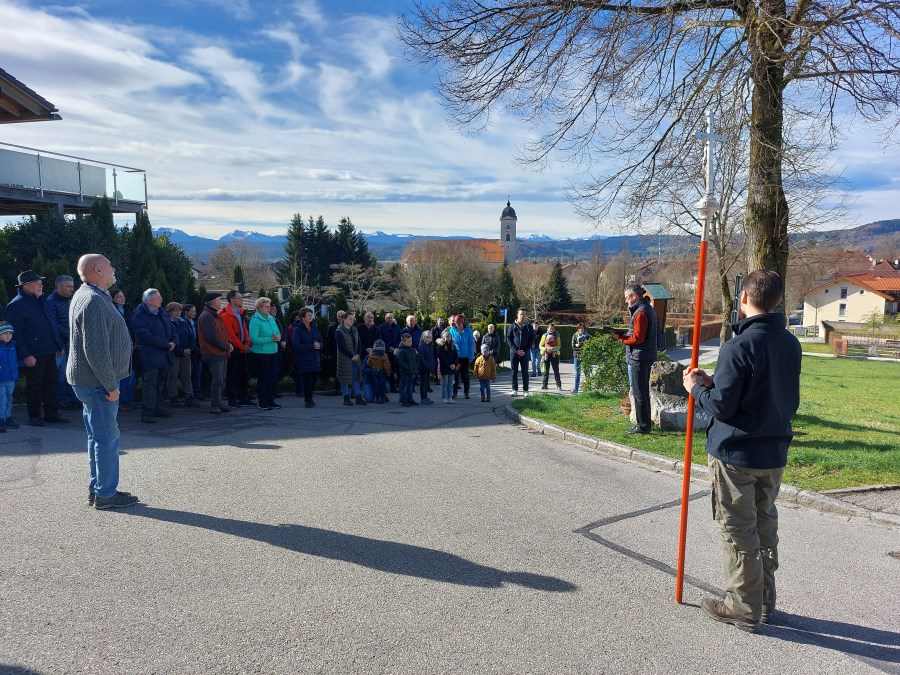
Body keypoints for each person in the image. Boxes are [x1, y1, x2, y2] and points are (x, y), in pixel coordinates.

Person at [683, 270, 801, 634]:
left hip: (736, 454)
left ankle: (742, 607)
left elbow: (723, 406)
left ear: (744, 298)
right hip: (773, 450)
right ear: (778, 301)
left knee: (738, 530)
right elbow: (760, 390)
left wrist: (695, 389)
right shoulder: (790, 343)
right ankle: (764, 602)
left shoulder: (738, 346)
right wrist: (714, 382)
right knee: (764, 526)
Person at [67, 254, 138, 509]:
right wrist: (111, 385)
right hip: (98, 383)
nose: (114, 269)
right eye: (110, 266)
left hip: (91, 381)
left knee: (98, 437)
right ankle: (106, 494)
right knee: (107, 439)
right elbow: (95, 351)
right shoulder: (93, 300)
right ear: (97, 270)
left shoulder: (90, 295)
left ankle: (98, 489)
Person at [6, 270, 68, 426]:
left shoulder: (42, 300)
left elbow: (51, 324)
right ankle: (34, 416)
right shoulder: (16, 305)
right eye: (37, 283)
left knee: (51, 383)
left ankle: (51, 413)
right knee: (35, 385)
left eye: (41, 282)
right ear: (26, 285)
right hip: (33, 353)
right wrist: (26, 354)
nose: (41, 285)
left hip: (49, 349)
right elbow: (16, 333)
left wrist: (58, 344)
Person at [614, 284, 660, 434]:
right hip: (645, 356)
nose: (626, 301)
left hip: (639, 358)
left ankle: (642, 426)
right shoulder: (647, 308)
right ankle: (644, 424)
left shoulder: (641, 312)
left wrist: (620, 338)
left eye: (627, 298)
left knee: (639, 393)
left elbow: (638, 338)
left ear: (634, 296)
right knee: (643, 393)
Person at [132, 288, 176, 423]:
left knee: (160, 383)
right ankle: (147, 412)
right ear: (150, 301)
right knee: (150, 384)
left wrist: (174, 341)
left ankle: (158, 407)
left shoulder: (161, 312)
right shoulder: (139, 316)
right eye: (158, 297)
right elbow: (146, 336)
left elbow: (172, 328)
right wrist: (166, 344)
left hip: (163, 354)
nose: (161, 299)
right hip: (150, 355)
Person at [46, 274, 79, 410]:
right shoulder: (51, 301)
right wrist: (70, 335)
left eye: (72, 286)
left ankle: (72, 398)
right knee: (61, 373)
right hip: (59, 344)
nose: (72, 289)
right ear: (59, 286)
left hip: (71, 342)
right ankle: (62, 400)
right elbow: (53, 324)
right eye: (69, 286)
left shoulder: (71, 300)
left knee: (71, 372)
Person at [197, 292, 233, 414]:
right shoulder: (207, 316)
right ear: (213, 302)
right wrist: (226, 346)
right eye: (219, 300)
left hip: (221, 352)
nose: (221, 302)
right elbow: (211, 337)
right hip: (214, 352)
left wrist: (228, 344)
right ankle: (214, 405)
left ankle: (218, 402)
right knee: (217, 380)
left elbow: (223, 333)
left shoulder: (214, 315)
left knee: (222, 379)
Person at [220, 290, 255, 407]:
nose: (242, 300)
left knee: (243, 373)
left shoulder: (240, 312)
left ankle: (243, 397)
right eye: (239, 298)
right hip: (233, 349)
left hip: (241, 348)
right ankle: (232, 399)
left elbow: (244, 329)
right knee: (231, 374)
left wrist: (248, 343)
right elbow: (231, 335)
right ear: (232, 300)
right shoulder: (225, 315)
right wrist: (243, 347)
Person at [249, 296, 281, 411]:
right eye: (266, 307)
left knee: (272, 377)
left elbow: (278, 332)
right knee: (263, 378)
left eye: (269, 306)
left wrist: (278, 338)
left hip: (273, 352)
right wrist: (270, 339)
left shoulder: (271, 319)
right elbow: (254, 339)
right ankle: (262, 401)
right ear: (259, 307)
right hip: (261, 353)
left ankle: (270, 400)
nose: (269, 308)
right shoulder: (255, 320)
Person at [165, 302, 198, 407]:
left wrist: (190, 349)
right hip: (173, 354)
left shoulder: (184, 323)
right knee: (172, 376)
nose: (178, 312)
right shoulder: (166, 323)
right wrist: (181, 351)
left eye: (179, 310)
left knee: (187, 376)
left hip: (186, 354)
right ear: (169, 312)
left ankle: (189, 396)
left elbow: (191, 337)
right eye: (175, 310)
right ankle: (173, 397)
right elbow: (169, 340)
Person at [109, 289, 136, 410]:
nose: (122, 298)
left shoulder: (127, 310)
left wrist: (134, 341)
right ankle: (120, 401)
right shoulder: (111, 310)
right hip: (118, 346)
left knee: (131, 374)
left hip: (130, 345)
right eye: (119, 296)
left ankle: (128, 399)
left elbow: (131, 327)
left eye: (123, 296)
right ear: (113, 298)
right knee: (121, 375)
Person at [291, 307, 322, 409]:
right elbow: (296, 345)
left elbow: (321, 341)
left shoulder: (314, 328)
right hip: (304, 359)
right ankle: (308, 400)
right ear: (302, 317)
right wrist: (311, 346)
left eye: (311, 315)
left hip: (315, 358)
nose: (310, 317)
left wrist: (319, 345)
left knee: (314, 380)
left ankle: (310, 398)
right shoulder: (298, 329)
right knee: (307, 380)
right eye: (308, 315)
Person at [336, 312, 365, 406]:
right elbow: (341, 347)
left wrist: (358, 354)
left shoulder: (355, 330)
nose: (352, 321)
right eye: (350, 319)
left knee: (355, 378)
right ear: (344, 319)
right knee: (345, 378)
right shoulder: (339, 331)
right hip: (345, 359)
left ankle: (358, 397)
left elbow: (359, 343)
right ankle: (346, 398)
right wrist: (351, 355)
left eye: (353, 319)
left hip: (355, 358)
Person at [506, 309, 535, 397]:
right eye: (521, 314)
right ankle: (514, 389)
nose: (522, 316)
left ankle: (526, 390)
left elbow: (531, 340)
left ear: (526, 316)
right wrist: (516, 350)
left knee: (525, 372)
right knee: (514, 372)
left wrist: (525, 351)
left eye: (524, 314)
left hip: (524, 353)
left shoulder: (529, 327)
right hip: (514, 353)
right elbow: (509, 339)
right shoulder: (512, 326)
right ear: (517, 315)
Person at [181, 304, 205, 402]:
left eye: (195, 311)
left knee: (197, 373)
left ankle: (197, 392)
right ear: (186, 312)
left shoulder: (195, 322)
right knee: (188, 374)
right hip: (189, 352)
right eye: (192, 311)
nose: (194, 313)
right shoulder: (182, 323)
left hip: (198, 352)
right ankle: (189, 394)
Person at [0, 322, 20, 431]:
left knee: (9, 398)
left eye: (10, 333)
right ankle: (1, 419)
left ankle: (7, 417)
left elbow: (15, 360)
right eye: (5, 333)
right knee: (1, 399)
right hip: (1, 379)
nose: (8, 335)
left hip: (11, 378)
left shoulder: (13, 346)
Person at [449, 314, 474, 399]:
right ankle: (454, 392)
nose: (457, 325)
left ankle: (466, 392)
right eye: (456, 323)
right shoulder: (452, 330)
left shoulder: (468, 330)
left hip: (465, 356)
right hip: (456, 357)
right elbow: (450, 344)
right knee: (455, 375)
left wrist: (471, 356)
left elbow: (471, 343)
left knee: (465, 375)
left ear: (463, 322)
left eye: (459, 323)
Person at [378, 312, 401, 393]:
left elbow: (399, 338)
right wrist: (388, 347)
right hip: (385, 352)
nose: (390, 319)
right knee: (385, 369)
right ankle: (385, 388)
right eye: (388, 318)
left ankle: (393, 387)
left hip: (394, 352)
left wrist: (394, 347)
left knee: (393, 369)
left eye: (391, 318)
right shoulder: (381, 327)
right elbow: (380, 339)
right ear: (385, 319)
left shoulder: (397, 327)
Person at [324, 309, 345, 395]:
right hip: (335, 353)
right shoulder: (332, 327)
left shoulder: (349, 326)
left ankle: (346, 388)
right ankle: (338, 389)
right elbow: (328, 340)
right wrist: (328, 353)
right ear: (337, 317)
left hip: (346, 353)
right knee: (337, 371)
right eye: (339, 316)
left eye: (343, 316)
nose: (341, 318)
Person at [396, 331, 419, 407]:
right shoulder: (402, 351)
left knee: (410, 386)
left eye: (411, 341)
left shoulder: (412, 349)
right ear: (403, 342)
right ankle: (404, 400)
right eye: (408, 341)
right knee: (404, 386)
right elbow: (400, 362)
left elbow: (415, 359)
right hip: (405, 372)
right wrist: (408, 367)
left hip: (411, 371)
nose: (410, 342)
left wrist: (414, 368)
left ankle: (410, 399)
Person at [367, 339, 391, 404]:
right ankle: (382, 399)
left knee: (376, 385)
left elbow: (368, 363)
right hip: (382, 372)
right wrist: (388, 372)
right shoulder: (384, 355)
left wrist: (372, 366)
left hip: (374, 371)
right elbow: (386, 365)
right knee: (382, 385)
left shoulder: (372, 354)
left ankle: (377, 399)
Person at [436, 329, 458, 404]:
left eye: (449, 336)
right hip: (445, 367)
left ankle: (450, 397)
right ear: (443, 337)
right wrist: (449, 365)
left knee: (450, 384)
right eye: (446, 336)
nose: (448, 337)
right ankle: (445, 397)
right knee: (445, 383)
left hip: (452, 368)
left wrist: (454, 364)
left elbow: (456, 356)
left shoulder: (453, 346)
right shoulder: (441, 346)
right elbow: (441, 357)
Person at [540, 322, 562, 391]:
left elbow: (559, 346)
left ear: (554, 329)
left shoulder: (557, 335)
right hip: (546, 355)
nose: (551, 329)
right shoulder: (544, 335)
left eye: (552, 328)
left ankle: (558, 385)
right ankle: (544, 385)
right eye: (550, 328)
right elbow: (540, 345)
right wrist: (545, 349)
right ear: (547, 329)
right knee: (546, 371)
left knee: (556, 371)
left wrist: (552, 349)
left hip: (554, 355)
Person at [416, 331, 436, 405]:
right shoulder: (422, 346)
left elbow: (431, 357)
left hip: (428, 367)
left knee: (426, 383)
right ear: (423, 337)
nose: (428, 339)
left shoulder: (430, 346)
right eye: (427, 337)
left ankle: (425, 397)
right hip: (423, 368)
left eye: (430, 337)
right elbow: (421, 359)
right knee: (423, 383)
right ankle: (423, 398)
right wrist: (427, 365)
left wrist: (432, 365)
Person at [571, 322, 589, 394]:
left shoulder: (587, 336)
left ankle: (588, 389)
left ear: (584, 328)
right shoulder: (575, 335)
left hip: (585, 356)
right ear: (577, 329)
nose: (581, 329)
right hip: (577, 356)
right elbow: (573, 346)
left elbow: (589, 346)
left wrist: (579, 346)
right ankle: (576, 389)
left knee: (587, 372)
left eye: (582, 328)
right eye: (580, 328)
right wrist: (581, 347)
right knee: (577, 373)